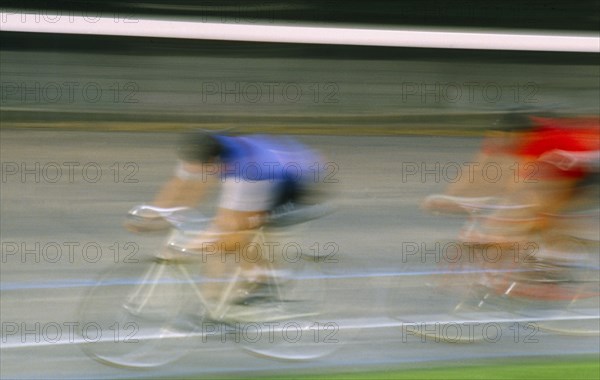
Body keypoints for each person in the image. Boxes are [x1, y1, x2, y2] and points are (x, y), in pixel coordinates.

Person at [125, 130, 332, 312]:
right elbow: (181, 185)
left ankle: (265, 282)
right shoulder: (201, 148)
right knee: (222, 240)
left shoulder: (246, 172)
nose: (192, 171)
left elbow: (230, 226)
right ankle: (216, 302)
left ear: (214, 162)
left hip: (295, 183)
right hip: (278, 162)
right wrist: (155, 213)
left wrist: (187, 249)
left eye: (201, 169)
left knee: (240, 235)